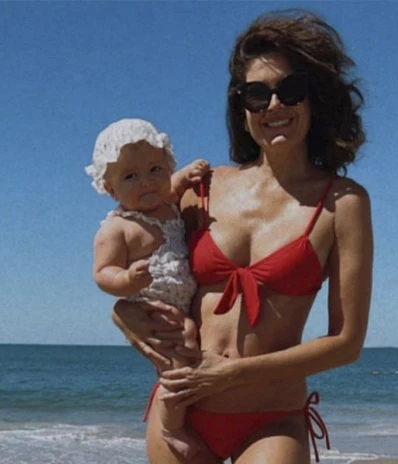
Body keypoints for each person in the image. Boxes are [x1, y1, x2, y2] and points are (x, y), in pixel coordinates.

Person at [111, 9, 373, 464]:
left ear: (315, 98)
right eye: (257, 94)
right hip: (183, 410)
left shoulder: (343, 203)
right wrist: (122, 315)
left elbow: (346, 342)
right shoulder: (201, 188)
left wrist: (231, 374)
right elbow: (139, 264)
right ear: (242, 105)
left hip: (271, 417)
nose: (274, 106)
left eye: (290, 90)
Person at [86, 118, 210, 459]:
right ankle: (172, 426)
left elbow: (175, 185)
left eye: (155, 169)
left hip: (181, 304)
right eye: (130, 176)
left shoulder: (166, 203)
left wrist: (188, 174)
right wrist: (126, 280)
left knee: (188, 349)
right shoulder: (119, 228)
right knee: (179, 360)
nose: (146, 182)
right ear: (110, 189)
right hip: (153, 309)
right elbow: (102, 273)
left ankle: (188, 411)